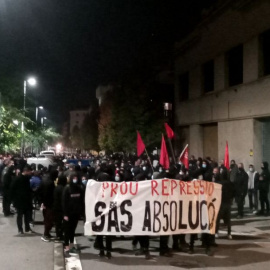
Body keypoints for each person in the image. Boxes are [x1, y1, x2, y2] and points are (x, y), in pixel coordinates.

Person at [62, 174, 84, 256]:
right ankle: (66, 247)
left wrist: (81, 212)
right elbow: (64, 202)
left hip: (76, 213)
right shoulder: (67, 188)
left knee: (72, 231)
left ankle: (71, 246)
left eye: (76, 178)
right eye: (73, 178)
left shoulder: (79, 189)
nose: (75, 180)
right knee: (67, 231)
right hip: (68, 213)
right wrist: (65, 214)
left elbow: (81, 201)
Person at [10, 166, 33, 234]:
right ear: (26, 171)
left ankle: (26, 228)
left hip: (24, 200)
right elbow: (12, 188)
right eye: (29, 171)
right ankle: (21, 229)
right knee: (20, 215)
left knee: (26, 215)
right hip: (20, 200)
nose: (30, 173)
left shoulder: (25, 178)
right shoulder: (19, 178)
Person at [53, 175, 67, 242]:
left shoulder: (56, 188)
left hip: (56, 207)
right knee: (64, 222)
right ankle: (61, 233)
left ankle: (58, 235)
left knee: (57, 222)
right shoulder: (65, 188)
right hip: (63, 207)